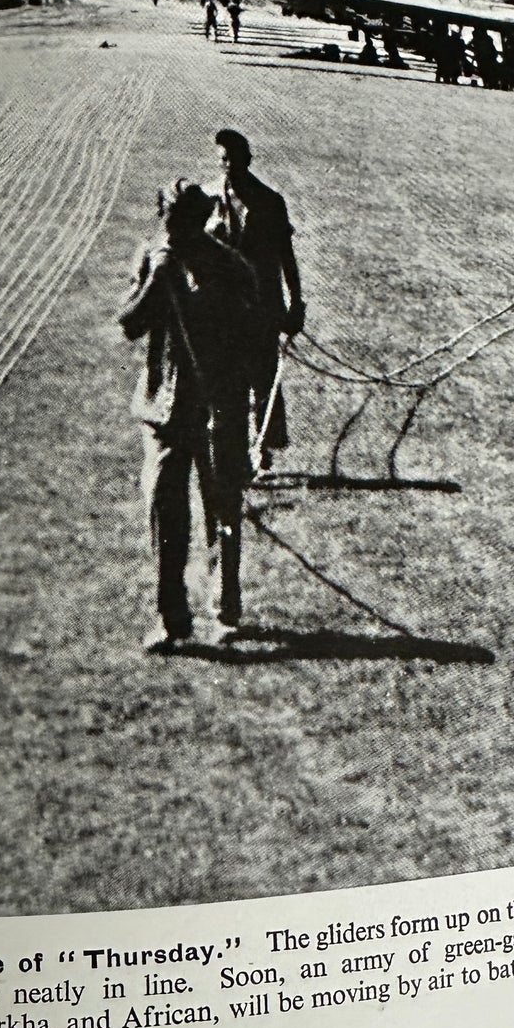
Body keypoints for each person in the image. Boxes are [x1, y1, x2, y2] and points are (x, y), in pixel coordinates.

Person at [119, 180, 262, 649]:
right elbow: (129, 324)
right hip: (166, 412)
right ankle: (171, 617)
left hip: (217, 408)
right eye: (167, 223)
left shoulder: (230, 267)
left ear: (200, 222)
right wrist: (156, 282)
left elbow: (254, 338)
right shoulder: (156, 257)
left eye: (181, 225)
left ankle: (225, 610)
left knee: (222, 510)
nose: (172, 233)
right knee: (166, 513)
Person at [207, 129, 306, 468]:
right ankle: (229, 450)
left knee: (263, 380)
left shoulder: (270, 202)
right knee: (225, 381)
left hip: (264, 309)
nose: (229, 165)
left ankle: (262, 447)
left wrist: (296, 303)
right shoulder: (209, 199)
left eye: (235, 158)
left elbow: (286, 256)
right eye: (223, 159)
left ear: (248, 159)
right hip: (223, 310)